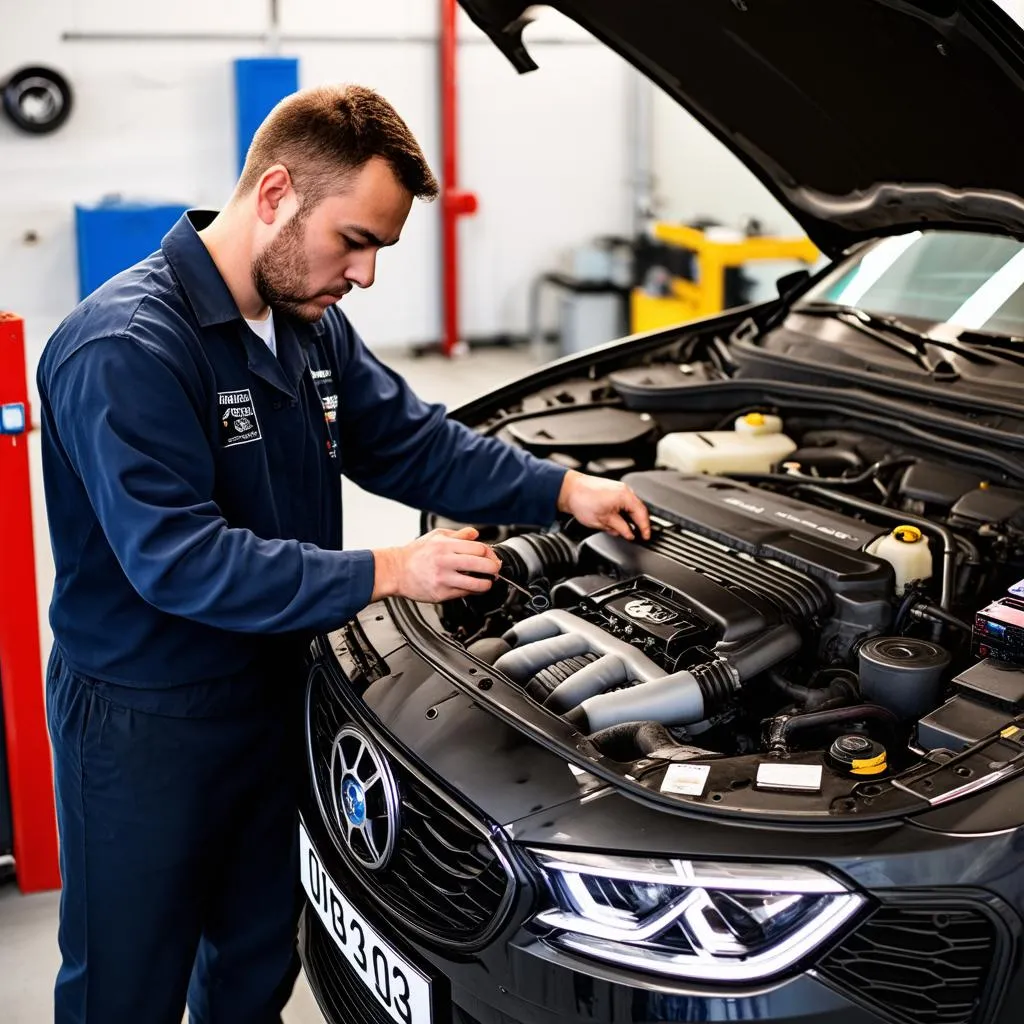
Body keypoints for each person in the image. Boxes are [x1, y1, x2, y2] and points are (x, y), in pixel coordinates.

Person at [37, 83, 651, 1024]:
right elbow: (180, 559)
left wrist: (563, 491)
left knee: (252, 954)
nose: (364, 276)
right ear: (276, 193)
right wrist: (390, 571)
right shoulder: (124, 348)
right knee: (126, 982)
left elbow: (412, 442)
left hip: (275, 689)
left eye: (380, 250)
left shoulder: (304, 324)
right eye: (354, 241)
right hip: (145, 719)